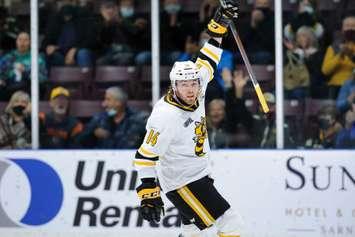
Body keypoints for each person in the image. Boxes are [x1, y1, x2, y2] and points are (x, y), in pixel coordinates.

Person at [133, 2, 243, 237]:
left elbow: (208, 57)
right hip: (183, 182)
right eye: (184, 85)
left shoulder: (198, 85)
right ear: (174, 86)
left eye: (193, 83)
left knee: (193, 231)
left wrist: (220, 25)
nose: (191, 89)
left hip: (198, 175)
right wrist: (148, 193)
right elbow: (144, 158)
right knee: (230, 223)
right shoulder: (165, 116)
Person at [79, 86, 147, 148]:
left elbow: (132, 144)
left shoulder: (138, 119)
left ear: (119, 102)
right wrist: (92, 132)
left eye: (108, 100)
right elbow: (81, 140)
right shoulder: (99, 118)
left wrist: (109, 137)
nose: (104, 104)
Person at [0, 32, 47, 100]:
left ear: (30, 42)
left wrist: (26, 71)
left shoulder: (37, 58)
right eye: (20, 39)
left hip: (28, 88)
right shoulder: (8, 57)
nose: (22, 43)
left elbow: (43, 78)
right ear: (16, 41)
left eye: (25, 40)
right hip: (9, 87)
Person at [321, 15, 355, 99]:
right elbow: (325, 70)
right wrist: (340, 55)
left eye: (353, 26)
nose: (350, 29)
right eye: (347, 26)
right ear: (342, 29)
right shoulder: (334, 47)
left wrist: (351, 55)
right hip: (336, 86)